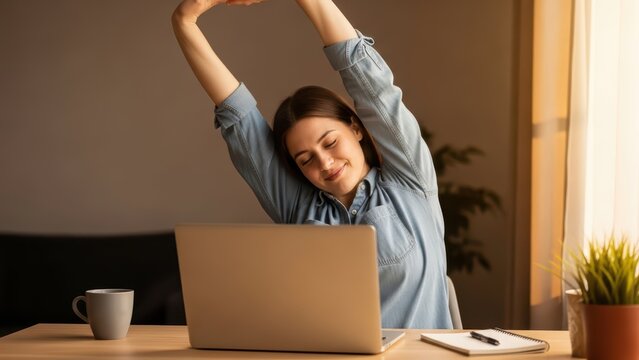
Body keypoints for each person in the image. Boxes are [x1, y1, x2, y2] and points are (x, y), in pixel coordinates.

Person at [172, 0, 453, 329]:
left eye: (330, 142)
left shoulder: (410, 181)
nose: (325, 162)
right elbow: (238, 119)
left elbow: (368, 79)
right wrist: (185, 20)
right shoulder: (297, 206)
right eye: (305, 159)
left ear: (356, 127)